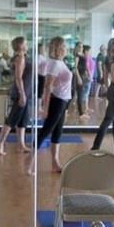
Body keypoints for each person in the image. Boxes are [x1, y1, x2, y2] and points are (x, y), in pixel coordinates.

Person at [40, 36, 73, 174]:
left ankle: (55, 163)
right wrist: (45, 108)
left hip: (63, 101)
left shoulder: (60, 62)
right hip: (57, 101)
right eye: (63, 46)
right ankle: (30, 162)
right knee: (45, 132)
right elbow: (48, 87)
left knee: (57, 133)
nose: (66, 48)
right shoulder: (54, 63)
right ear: (58, 48)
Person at [0, 36, 33, 156]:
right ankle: (0, 143)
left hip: (25, 93)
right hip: (20, 94)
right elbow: (18, 78)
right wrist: (22, 95)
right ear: (20, 45)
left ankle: (21, 145)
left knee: (22, 121)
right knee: (12, 119)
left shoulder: (22, 57)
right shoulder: (20, 58)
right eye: (25, 43)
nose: (27, 45)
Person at [71, 41, 89, 120]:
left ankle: (65, 110)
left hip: (82, 76)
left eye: (82, 46)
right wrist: (78, 78)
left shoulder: (82, 55)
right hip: (78, 76)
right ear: (76, 47)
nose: (81, 48)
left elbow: (84, 66)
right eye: (79, 46)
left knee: (74, 94)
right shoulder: (77, 55)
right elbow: (75, 68)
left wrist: (86, 74)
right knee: (79, 95)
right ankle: (81, 113)